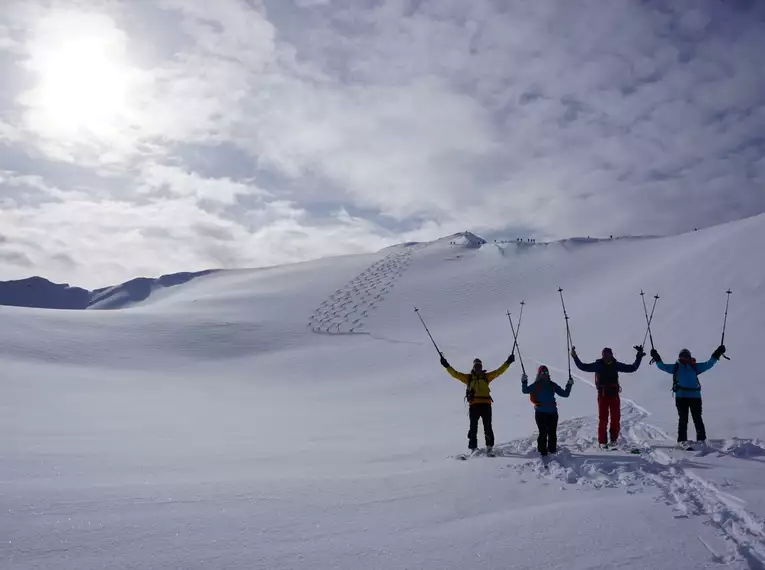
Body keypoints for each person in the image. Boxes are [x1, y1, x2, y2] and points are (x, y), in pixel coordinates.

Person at [440, 353, 515, 454]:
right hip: (474, 405)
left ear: (481, 367)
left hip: (485, 405)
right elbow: (455, 374)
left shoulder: (486, 377)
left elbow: (499, 372)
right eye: (476, 366)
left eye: (479, 366)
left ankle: (489, 446)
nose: (478, 368)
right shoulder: (469, 378)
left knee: (487, 426)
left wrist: (508, 362)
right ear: (473, 367)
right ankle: (473, 448)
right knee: (473, 427)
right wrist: (446, 365)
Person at [571, 345, 645, 448]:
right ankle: (602, 442)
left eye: (609, 355)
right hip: (603, 395)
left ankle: (613, 440)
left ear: (612, 355)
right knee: (603, 419)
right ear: (603, 356)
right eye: (605, 356)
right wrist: (574, 356)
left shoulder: (615, 365)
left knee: (615, 419)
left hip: (614, 395)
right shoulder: (599, 365)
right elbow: (583, 367)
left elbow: (632, 368)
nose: (607, 357)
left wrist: (639, 356)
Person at [650, 345, 725, 445]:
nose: (684, 358)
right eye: (682, 356)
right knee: (683, 419)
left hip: (694, 397)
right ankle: (682, 440)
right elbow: (662, 366)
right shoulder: (676, 367)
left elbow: (709, 364)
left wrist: (717, 353)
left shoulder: (695, 367)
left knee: (697, 418)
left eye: (686, 356)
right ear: (679, 357)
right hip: (682, 397)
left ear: (689, 357)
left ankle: (701, 440)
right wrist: (656, 356)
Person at [521, 365, 573, 455]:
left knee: (551, 433)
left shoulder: (550, 384)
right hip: (542, 413)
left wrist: (569, 385)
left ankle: (551, 450)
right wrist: (524, 381)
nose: (544, 374)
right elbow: (525, 390)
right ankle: (543, 451)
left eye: (546, 372)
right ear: (539, 374)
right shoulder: (539, 385)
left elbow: (565, 394)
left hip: (550, 413)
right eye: (542, 372)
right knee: (543, 432)